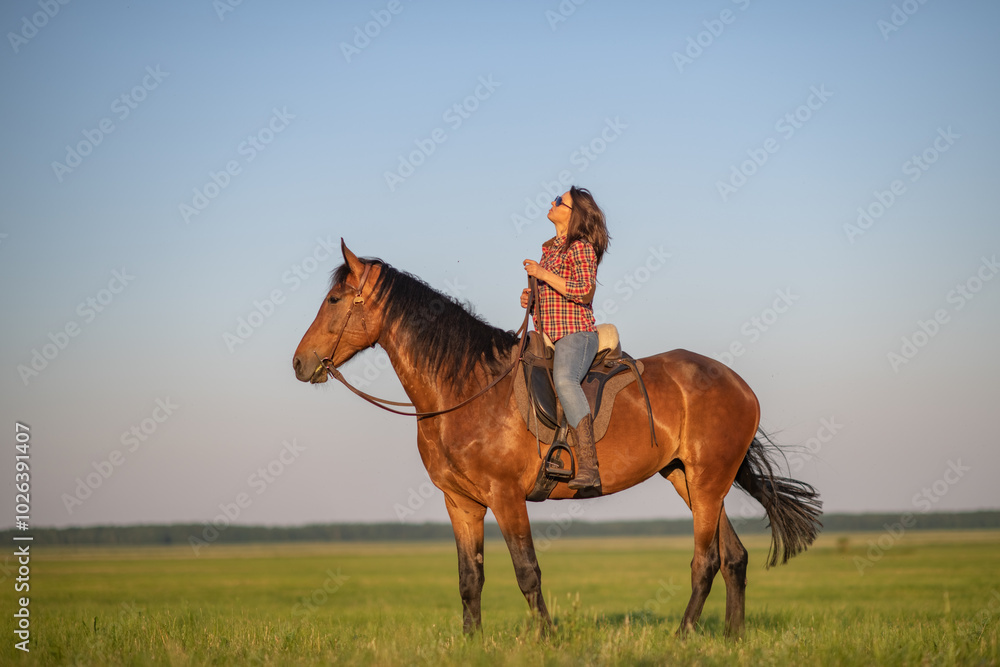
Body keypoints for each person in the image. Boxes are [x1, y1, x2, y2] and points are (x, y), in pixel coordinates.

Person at [521, 186, 610, 491]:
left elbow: (584, 290)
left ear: (574, 215)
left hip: (576, 334)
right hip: (548, 335)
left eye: (559, 202)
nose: (552, 202)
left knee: (565, 380)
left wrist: (543, 276)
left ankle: (589, 465)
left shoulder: (581, 246)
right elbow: (555, 295)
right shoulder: (549, 250)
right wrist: (531, 299)